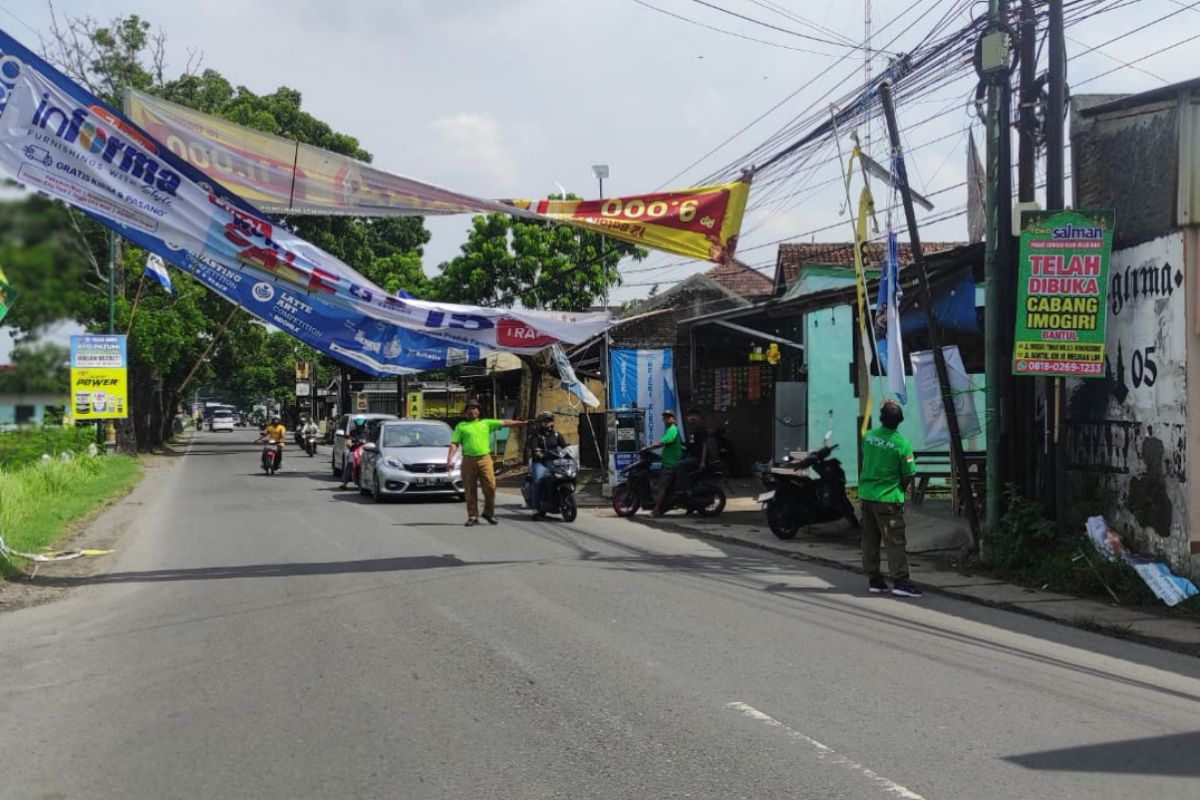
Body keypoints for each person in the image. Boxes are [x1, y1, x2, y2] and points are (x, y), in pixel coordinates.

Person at [859, 399, 921, 598]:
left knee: (870, 539)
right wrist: (900, 490)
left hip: (867, 496)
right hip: (888, 498)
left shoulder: (868, 437)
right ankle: (900, 581)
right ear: (900, 420)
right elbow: (908, 474)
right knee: (894, 541)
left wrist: (882, 409)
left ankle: (874, 579)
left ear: (881, 418)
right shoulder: (902, 445)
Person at [445, 399, 529, 526]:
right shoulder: (461, 426)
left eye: (475, 408)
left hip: (485, 459)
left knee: (491, 486)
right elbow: (454, 444)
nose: (473, 410)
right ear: (466, 412)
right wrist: (449, 459)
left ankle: (488, 513)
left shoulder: (486, 423)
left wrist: (522, 423)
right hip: (468, 460)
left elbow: (505, 422)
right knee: (470, 489)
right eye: (470, 408)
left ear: (478, 411)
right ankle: (472, 516)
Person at [525, 411, 568, 520]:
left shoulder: (557, 435)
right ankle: (535, 509)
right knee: (538, 481)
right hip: (540, 462)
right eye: (545, 420)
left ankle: (560, 499)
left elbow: (565, 447)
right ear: (540, 423)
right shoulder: (535, 435)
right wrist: (537, 452)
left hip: (554, 462)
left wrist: (569, 452)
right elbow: (533, 447)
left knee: (565, 476)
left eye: (549, 420)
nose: (547, 423)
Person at [645, 409, 684, 517]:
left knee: (661, 486)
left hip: (671, 464)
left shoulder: (672, 429)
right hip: (667, 461)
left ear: (673, 418)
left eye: (668, 417)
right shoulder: (668, 429)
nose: (666, 419)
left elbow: (663, 442)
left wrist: (648, 448)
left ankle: (656, 509)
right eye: (665, 417)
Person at [671, 408, 711, 499]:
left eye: (694, 415)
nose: (692, 417)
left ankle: (686, 489)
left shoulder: (701, 430)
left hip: (698, 458)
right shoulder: (691, 431)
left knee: (679, 466)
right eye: (690, 416)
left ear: (699, 418)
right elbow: (689, 446)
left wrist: (703, 462)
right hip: (692, 457)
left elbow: (705, 446)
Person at [340, 414, 370, 489]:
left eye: (361, 422)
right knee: (350, 463)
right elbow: (348, 441)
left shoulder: (368, 432)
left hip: (365, 452)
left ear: (364, 422)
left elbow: (372, 441)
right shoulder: (352, 432)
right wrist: (350, 443)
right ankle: (345, 482)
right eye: (358, 422)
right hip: (354, 451)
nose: (360, 424)